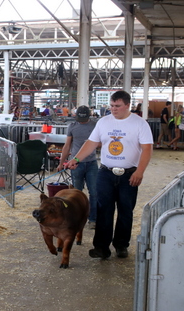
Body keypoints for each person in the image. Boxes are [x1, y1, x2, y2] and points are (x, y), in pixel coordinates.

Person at [67, 90, 153, 259]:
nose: (113, 109)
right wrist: (76, 158)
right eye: (112, 106)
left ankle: (121, 245)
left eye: (117, 106)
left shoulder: (140, 123)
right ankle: (101, 247)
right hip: (106, 172)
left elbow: (147, 149)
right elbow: (91, 143)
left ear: (128, 105)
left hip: (129, 173)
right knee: (103, 209)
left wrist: (140, 171)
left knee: (125, 210)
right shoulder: (103, 122)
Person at [57, 105, 98, 229]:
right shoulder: (72, 126)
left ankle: (93, 219)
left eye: (84, 118)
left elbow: (101, 142)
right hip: (75, 163)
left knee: (94, 192)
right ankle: (77, 218)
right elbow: (67, 145)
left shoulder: (95, 125)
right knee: (76, 193)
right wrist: (61, 163)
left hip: (91, 162)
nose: (81, 121)